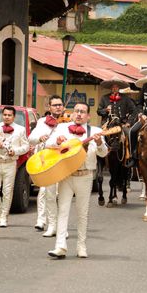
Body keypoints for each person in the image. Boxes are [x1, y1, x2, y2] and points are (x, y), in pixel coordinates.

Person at [46, 102, 108, 259]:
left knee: (82, 212)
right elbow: (48, 144)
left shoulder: (95, 131)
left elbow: (103, 153)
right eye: (77, 111)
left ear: (88, 116)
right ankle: (60, 246)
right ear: (72, 114)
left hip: (85, 175)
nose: (79, 114)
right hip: (66, 174)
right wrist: (57, 142)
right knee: (63, 209)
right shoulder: (61, 128)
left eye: (83, 112)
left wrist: (99, 142)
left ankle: (81, 245)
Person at [29, 95, 65, 236]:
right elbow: (31, 138)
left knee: (59, 194)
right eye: (55, 105)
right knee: (44, 191)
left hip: (61, 160)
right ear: (49, 107)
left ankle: (58, 224)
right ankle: (42, 220)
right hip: (45, 160)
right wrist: (40, 138)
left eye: (60, 105)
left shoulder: (67, 123)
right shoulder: (42, 122)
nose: (58, 107)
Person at [0, 106, 29, 228]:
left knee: (7, 191)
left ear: (14, 116)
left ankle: (3, 216)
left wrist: (15, 151)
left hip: (10, 164)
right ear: (2, 115)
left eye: (9, 115)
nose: (7, 117)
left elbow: (26, 146)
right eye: (5, 115)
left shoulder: (20, 130)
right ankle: (0, 210)